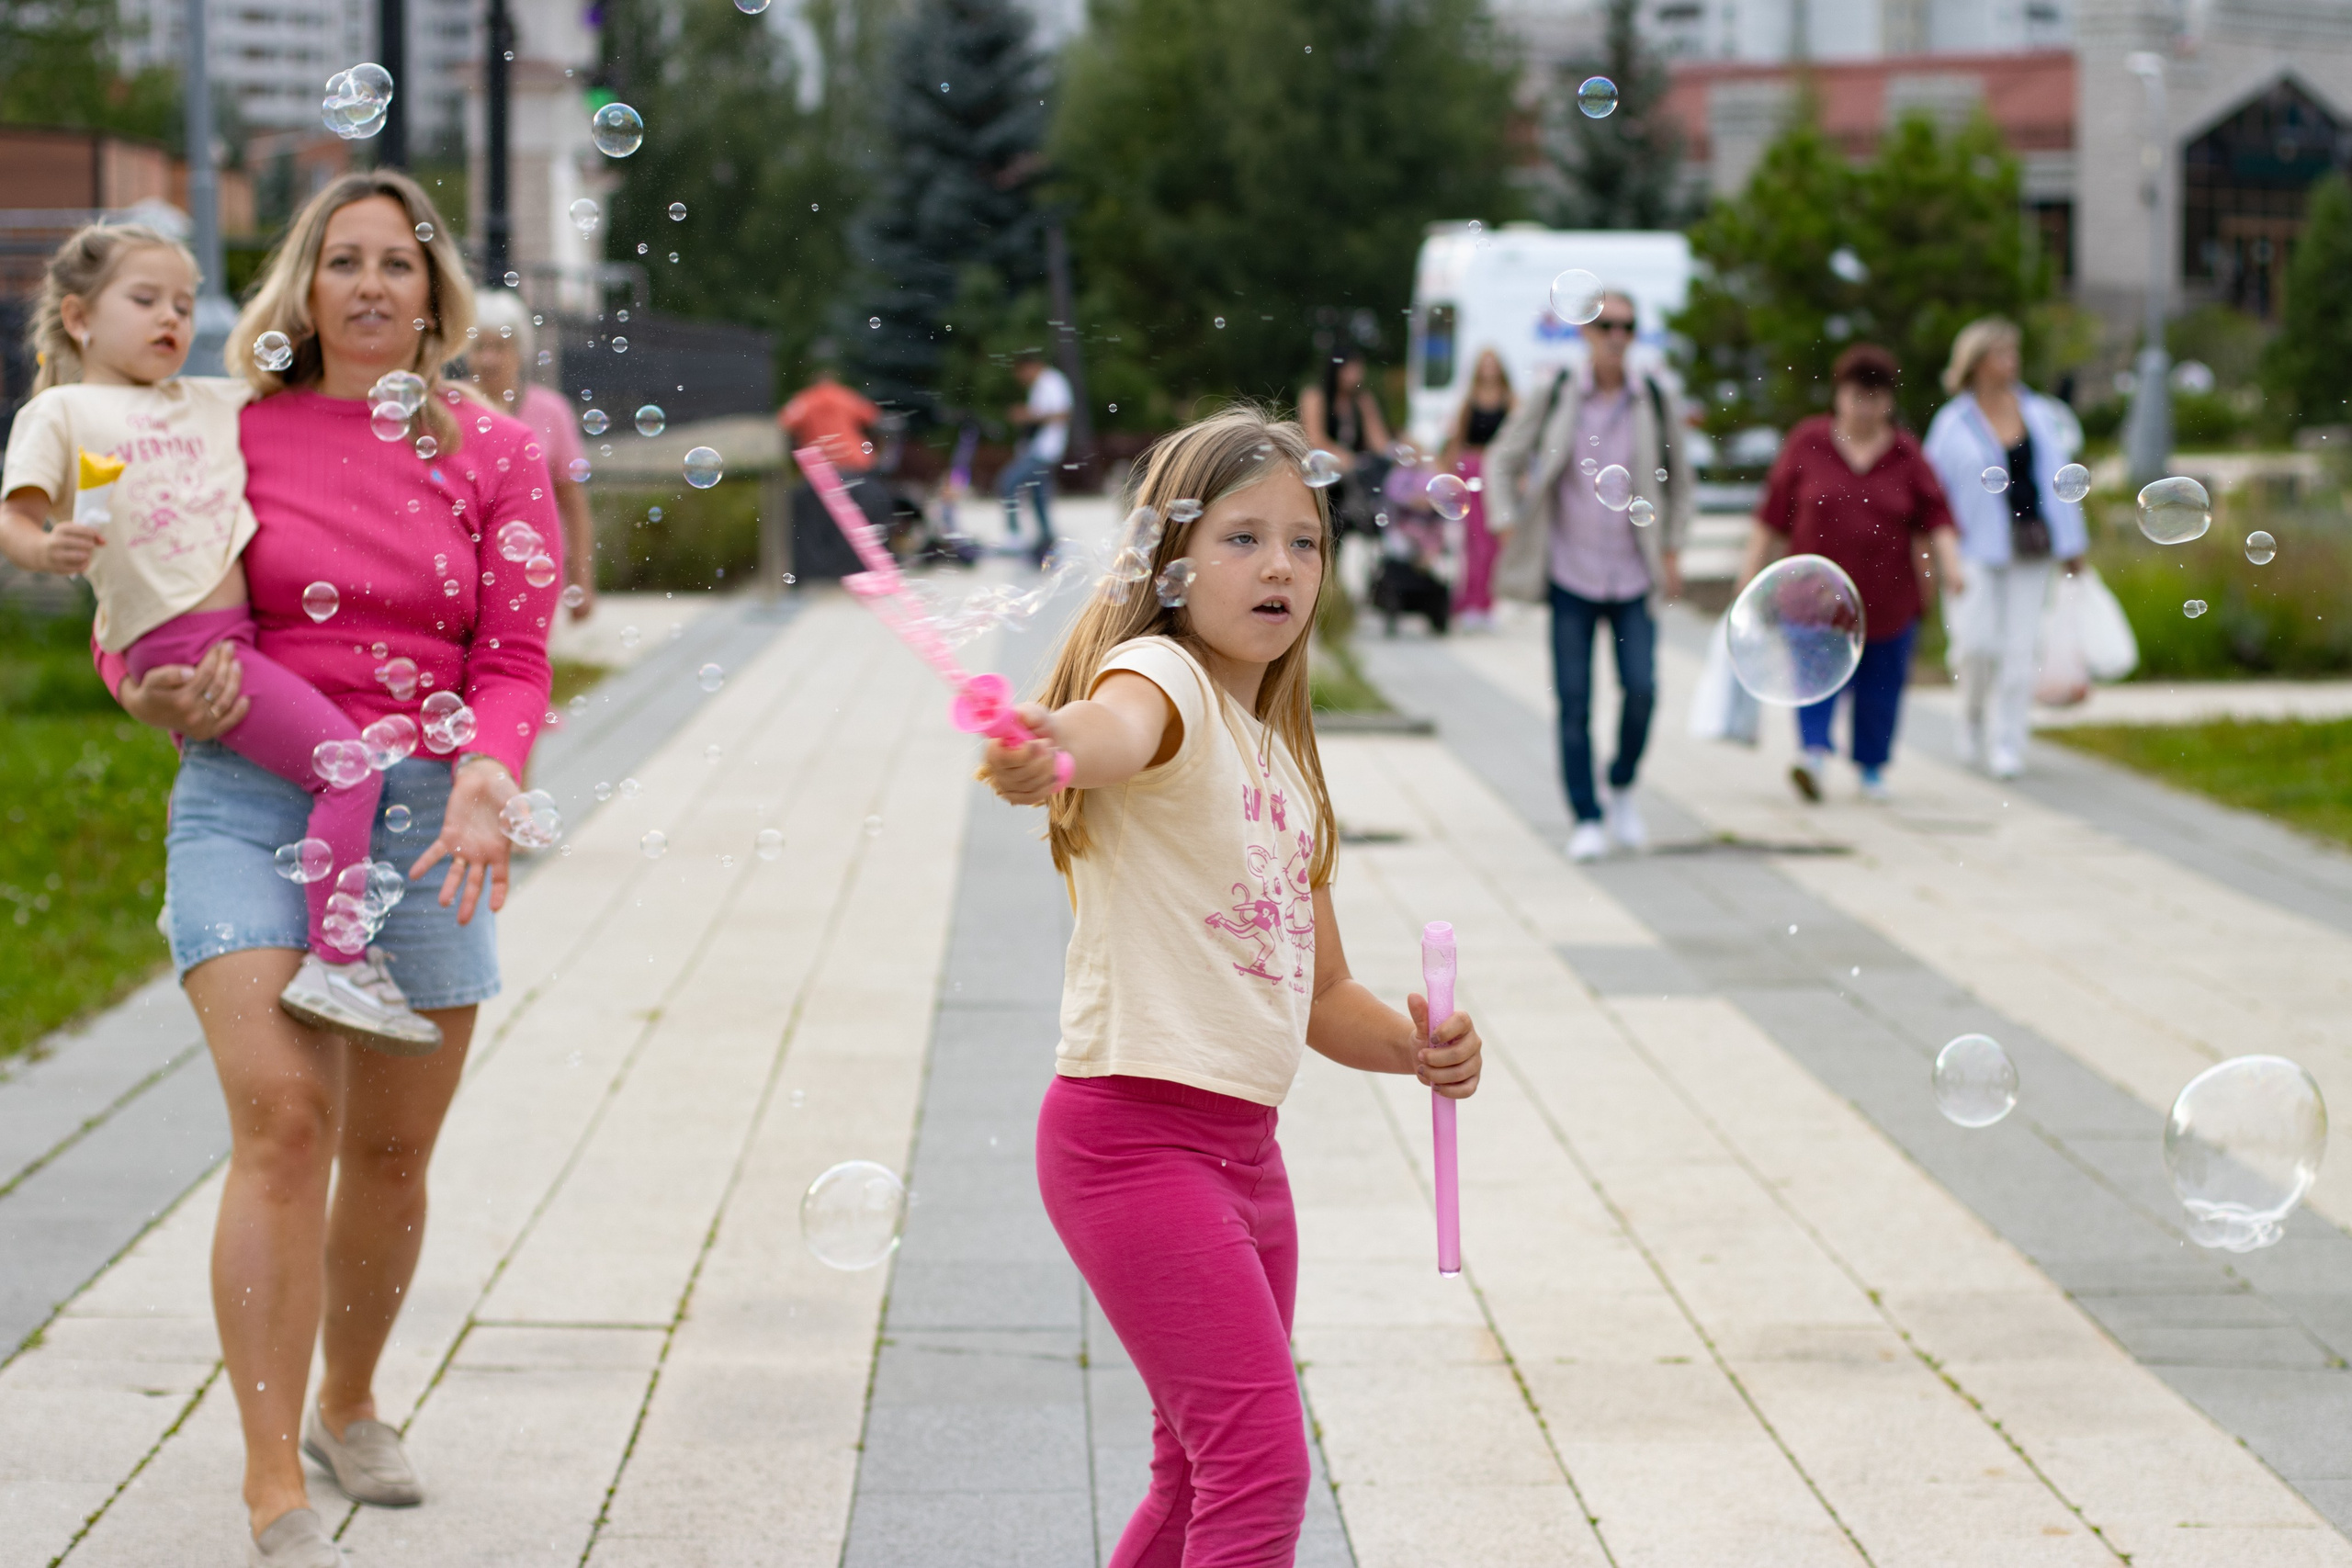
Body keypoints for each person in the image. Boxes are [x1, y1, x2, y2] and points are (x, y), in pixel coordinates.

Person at [102, 170, 559, 1568]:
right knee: (286, 1120)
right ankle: (266, 1480)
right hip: (250, 792)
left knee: (393, 1147)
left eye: (397, 263)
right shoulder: (222, 433)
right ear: (301, 284)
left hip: (429, 812)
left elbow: (517, 655)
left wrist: (490, 768)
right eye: (342, 260)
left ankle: (348, 1403)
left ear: (434, 295)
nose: (370, 284)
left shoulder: (490, 448)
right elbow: (138, 611)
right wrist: (147, 690)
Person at [979, 407, 1484, 1565]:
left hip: (1246, 1157)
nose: (1279, 567)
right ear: (1174, 565)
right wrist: (1049, 745)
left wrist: (1416, 1046)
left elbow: (1323, 1000)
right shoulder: (1163, 680)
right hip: (1131, 1144)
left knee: (1198, 1468)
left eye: (1303, 542)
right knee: (1261, 1470)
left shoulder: (1287, 767)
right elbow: (1109, 730)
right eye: (1241, 538)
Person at [3, 222, 440, 1051]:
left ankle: (198, 885)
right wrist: (42, 547)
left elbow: (301, 388)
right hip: (189, 650)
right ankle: (339, 963)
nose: (171, 317)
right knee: (349, 769)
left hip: (237, 641)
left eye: (182, 301)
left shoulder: (203, 399)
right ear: (79, 317)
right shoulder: (63, 410)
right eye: (145, 300)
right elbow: (15, 516)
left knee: (233, 766)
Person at [1485, 289, 1691, 861]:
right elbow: (1502, 457)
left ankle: (1621, 783)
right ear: (1585, 333)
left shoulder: (1651, 396)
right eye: (1605, 325)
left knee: (1642, 691)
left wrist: (1672, 547)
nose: (1617, 336)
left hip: (1632, 574)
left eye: (1628, 325)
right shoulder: (1555, 394)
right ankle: (1587, 815)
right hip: (1569, 574)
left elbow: (1681, 479)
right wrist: (1507, 522)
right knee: (1573, 702)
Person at [1736, 343, 1966, 804]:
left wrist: (1952, 566)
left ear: (1890, 401)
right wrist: (1749, 574)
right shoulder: (1808, 442)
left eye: (1877, 396)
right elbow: (1772, 514)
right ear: (1838, 394)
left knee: (1881, 685)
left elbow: (1936, 514)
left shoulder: (1905, 452)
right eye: (1858, 394)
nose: (1866, 406)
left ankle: (1871, 768)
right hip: (1813, 596)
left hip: (1888, 595)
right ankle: (1813, 757)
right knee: (1813, 673)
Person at [1923, 316, 2088, 778]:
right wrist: (1940, 554)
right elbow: (1932, 493)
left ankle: (2008, 741)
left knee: (2020, 650)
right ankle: (1971, 717)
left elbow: (2062, 482)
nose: (2011, 362)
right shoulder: (1952, 423)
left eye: (2014, 353)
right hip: (1975, 547)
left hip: (2033, 545)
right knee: (1975, 645)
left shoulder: (2038, 413)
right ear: (1976, 363)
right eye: (2002, 354)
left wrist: (2074, 547)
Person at [469, 288, 594, 621]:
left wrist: (582, 577)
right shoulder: (450, 410)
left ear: (520, 352)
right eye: (480, 346)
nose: (488, 359)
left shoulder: (551, 411)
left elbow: (573, 500)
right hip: (464, 572)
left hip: (533, 572)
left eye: (500, 346)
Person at [1440, 347, 1514, 631]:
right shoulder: (1469, 402)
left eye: (1492, 363)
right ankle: (1470, 602)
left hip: (1495, 473)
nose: (1489, 369)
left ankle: (1487, 602)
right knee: (1473, 541)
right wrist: (1447, 478)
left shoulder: (1509, 402)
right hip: (1471, 472)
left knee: (1492, 542)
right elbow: (1456, 441)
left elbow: (1516, 442)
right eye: (1485, 364)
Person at [1298, 349, 1391, 535]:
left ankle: (1366, 530)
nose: (1357, 375)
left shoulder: (1363, 401)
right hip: (1324, 470)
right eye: (1351, 368)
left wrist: (1402, 453)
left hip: (1354, 474)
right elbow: (1314, 439)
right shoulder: (1315, 396)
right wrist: (1348, 460)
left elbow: (1380, 442)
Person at [1001, 348, 1070, 564]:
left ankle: (1014, 536)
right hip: (1038, 451)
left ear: (1030, 367)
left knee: (1008, 482)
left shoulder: (1052, 381)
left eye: (1021, 373)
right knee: (1039, 498)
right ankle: (1048, 542)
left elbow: (1063, 413)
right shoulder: (1041, 385)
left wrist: (1027, 415)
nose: (1021, 379)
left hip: (1044, 452)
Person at [778, 362, 881, 475]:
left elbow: (784, 422)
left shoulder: (804, 400)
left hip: (819, 464)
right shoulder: (847, 396)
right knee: (857, 491)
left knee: (826, 492)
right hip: (854, 459)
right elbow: (872, 416)